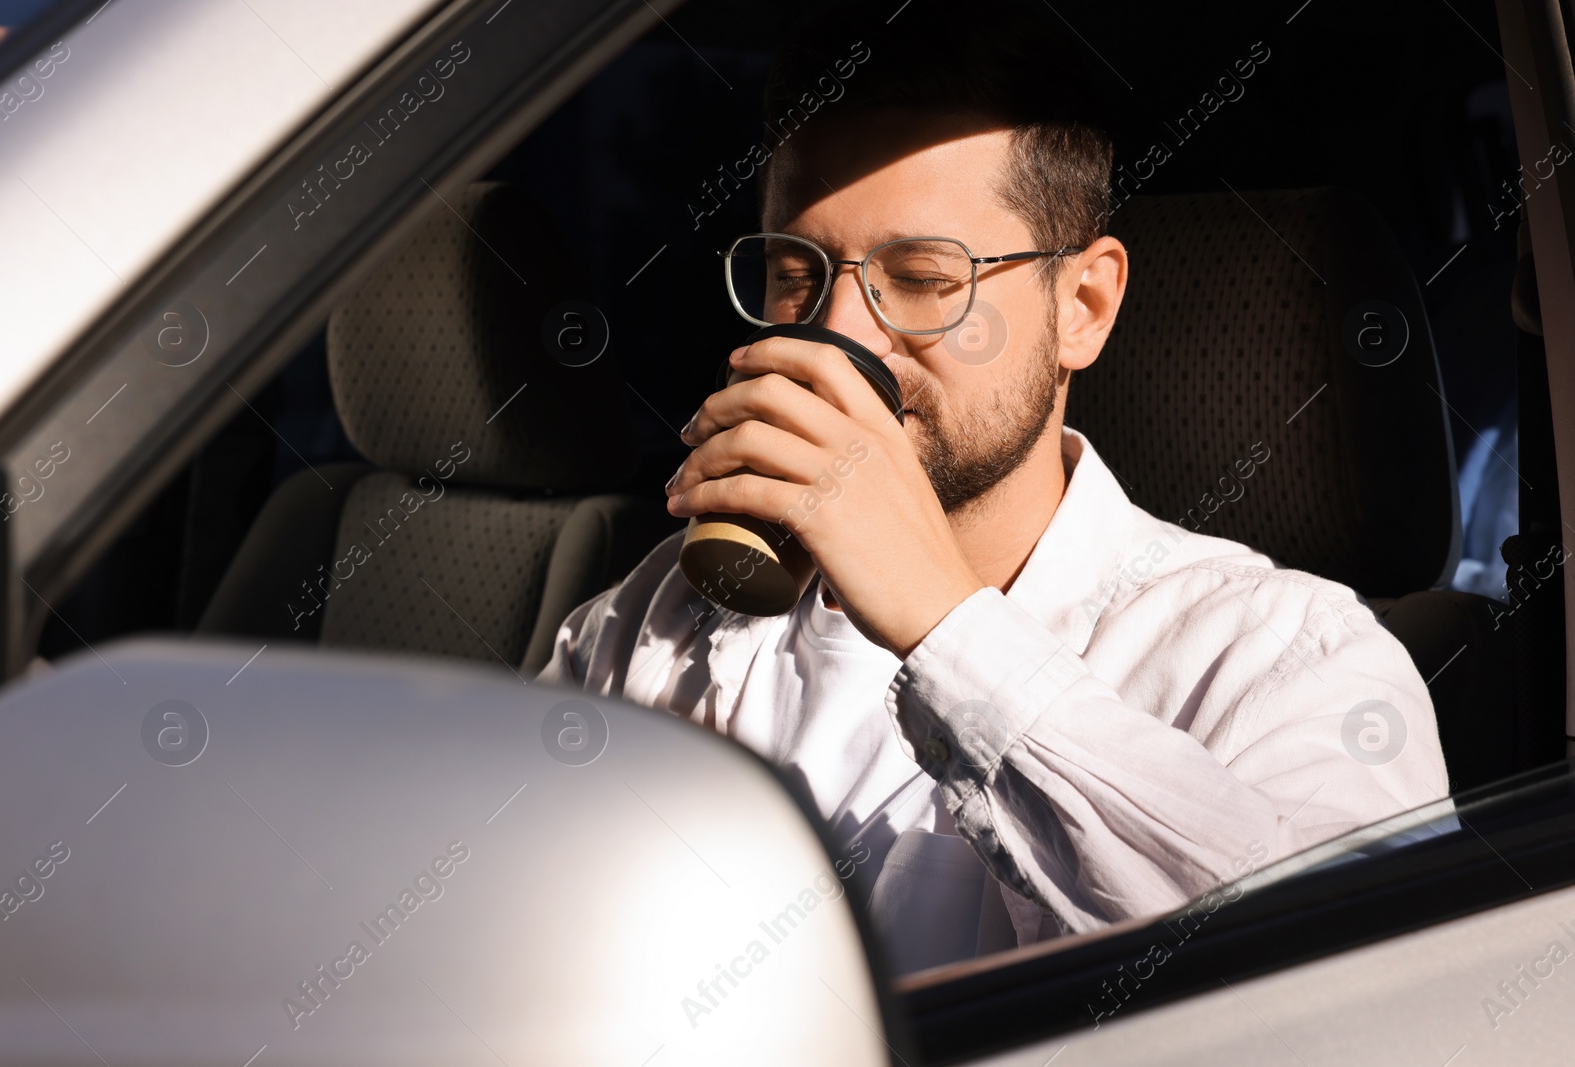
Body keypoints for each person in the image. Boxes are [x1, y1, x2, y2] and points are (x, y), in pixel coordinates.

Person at [539, 0, 1448, 974]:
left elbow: (1336, 992)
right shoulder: (650, 621)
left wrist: (943, 625)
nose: (839, 333)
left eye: (923, 277)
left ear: (1083, 307)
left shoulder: (1288, 658)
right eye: (796, 270)